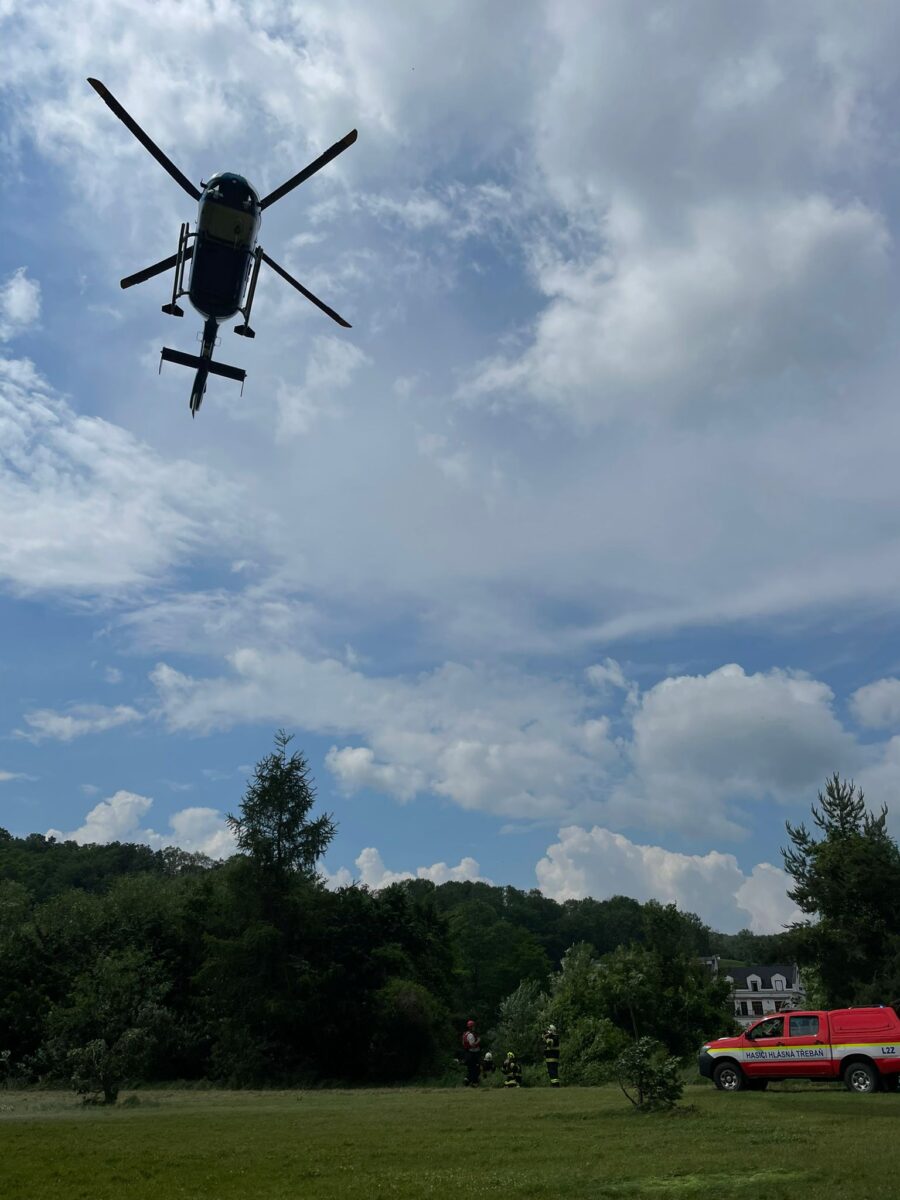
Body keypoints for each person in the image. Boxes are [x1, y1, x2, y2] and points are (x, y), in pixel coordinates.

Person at [461, 1019, 481, 1087]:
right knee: (475, 1069)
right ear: (471, 1027)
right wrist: (478, 1040)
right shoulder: (470, 1035)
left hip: (468, 1054)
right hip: (471, 1054)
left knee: (471, 1069)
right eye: (473, 1026)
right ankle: (472, 1082)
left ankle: (469, 1081)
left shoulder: (465, 1034)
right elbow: (472, 1045)